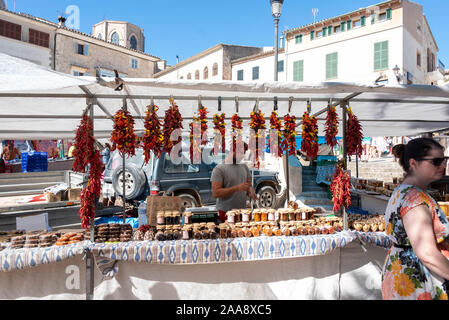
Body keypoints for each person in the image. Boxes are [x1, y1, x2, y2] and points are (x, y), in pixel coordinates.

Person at [382, 138, 449, 300]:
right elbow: (426, 253)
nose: (443, 165)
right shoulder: (414, 199)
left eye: (445, 159)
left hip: (403, 275)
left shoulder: (403, 190)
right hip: (417, 282)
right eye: (436, 161)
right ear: (414, 163)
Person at [211, 142, 258, 223]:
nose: (243, 156)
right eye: (241, 153)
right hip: (225, 213)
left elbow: (249, 185)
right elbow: (216, 193)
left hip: (242, 212)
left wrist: (251, 193)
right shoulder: (219, 169)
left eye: (244, 153)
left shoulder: (244, 167)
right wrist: (237, 188)